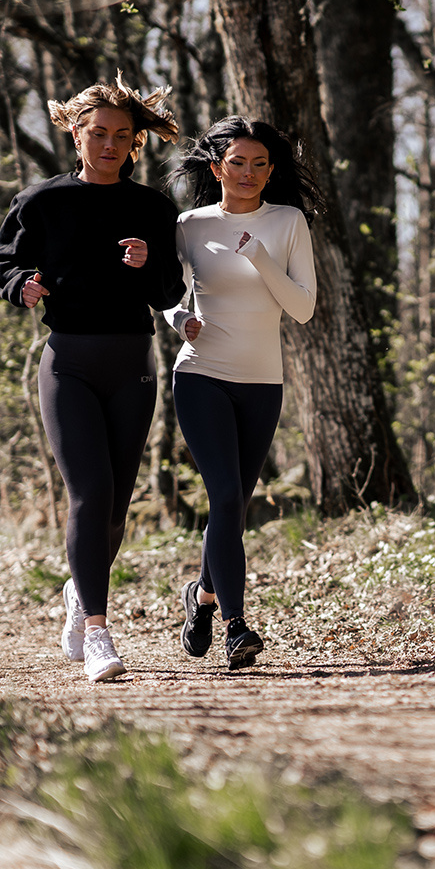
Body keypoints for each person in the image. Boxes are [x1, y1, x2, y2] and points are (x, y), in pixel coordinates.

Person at [0, 75, 184, 683]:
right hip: (68, 361)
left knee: (117, 508)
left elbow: (171, 291)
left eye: (121, 136)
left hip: (133, 363)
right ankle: (98, 630)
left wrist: (149, 264)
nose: (108, 144)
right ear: (76, 134)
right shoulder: (43, 201)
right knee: (89, 494)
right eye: (97, 133)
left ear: (135, 143)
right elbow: (2, 258)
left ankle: (78, 591)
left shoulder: (151, 208)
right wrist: (22, 284)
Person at [165, 116, 319, 670]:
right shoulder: (188, 224)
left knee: (234, 505)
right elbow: (167, 293)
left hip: (262, 382)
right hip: (201, 372)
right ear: (217, 167)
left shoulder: (288, 222)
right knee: (226, 497)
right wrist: (180, 318)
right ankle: (236, 626)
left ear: (271, 170)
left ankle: (200, 596)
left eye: (259, 164)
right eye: (237, 163)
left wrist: (259, 258)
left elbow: (302, 308)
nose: (248, 173)